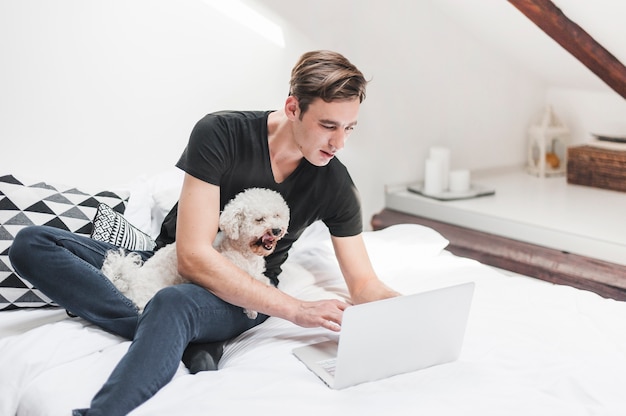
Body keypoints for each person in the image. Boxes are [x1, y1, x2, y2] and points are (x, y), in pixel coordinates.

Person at [9, 50, 400, 416]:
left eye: (350, 127)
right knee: (32, 244)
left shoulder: (335, 183)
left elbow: (363, 282)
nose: (339, 142)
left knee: (173, 304)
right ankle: (174, 338)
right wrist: (295, 309)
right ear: (293, 107)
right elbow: (191, 257)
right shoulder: (222, 133)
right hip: (168, 262)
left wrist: (408, 309)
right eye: (328, 126)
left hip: (242, 294)